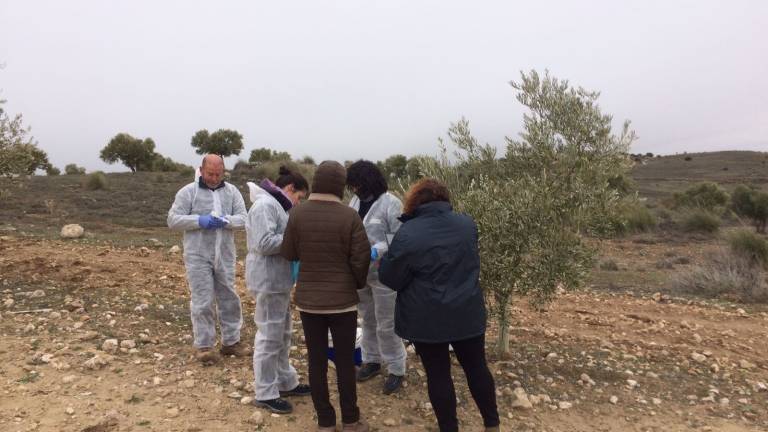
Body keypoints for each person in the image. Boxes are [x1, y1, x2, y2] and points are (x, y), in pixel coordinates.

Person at [378, 179, 500, 432]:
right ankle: (492, 424)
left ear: (415, 200)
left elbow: (392, 278)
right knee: (477, 366)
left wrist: (385, 263)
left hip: (426, 318)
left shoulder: (409, 233)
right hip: (467, 312)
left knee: (438, 374)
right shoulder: (467, 224)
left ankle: (449, 428)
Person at [280, 161, 371, 432]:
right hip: (343, 302)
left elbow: (289, 253)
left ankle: (325, 422)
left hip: (309, 302)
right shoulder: (350, 216)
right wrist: (354, 283)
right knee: (344, 362)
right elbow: (361, 257)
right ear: (341, 185)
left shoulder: (298, 214)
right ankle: (352, 420)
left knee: (316, 362)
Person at [167, 154, 250, 365]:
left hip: (225, 255)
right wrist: (199, 220)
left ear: (223, 171)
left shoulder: (231, 192)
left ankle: (231, 341)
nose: (214, 178)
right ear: (201, 170)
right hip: (198, 255)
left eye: (218, 174)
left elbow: (244, 218)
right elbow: (173, 220)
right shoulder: (189, 192)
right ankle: (204, 345)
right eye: (210, 173)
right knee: (202, 300)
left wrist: (226, 221)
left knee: (229, 297)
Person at [246, 166, 312, 413]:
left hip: (278, 279)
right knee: (269, 336)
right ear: (290, 189)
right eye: (299, 197)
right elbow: (264, 243)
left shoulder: (277, 206)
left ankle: (286, 381)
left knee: (283, 333)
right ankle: (265, 391)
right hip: (268, 279)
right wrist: (298, 241)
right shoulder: (265, 206)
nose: (298, 202)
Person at [345, 160, 407, 394]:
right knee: (367, 318)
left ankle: (396, 368)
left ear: (368, 181)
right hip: (360, 272)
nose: (354, 189)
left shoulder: (391, 203)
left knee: (387, 321)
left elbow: (399, 237)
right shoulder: (354, 202)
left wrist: (377, 249)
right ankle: (371, 360)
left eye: (356, 184)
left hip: (384, 273)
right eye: (352, 186)